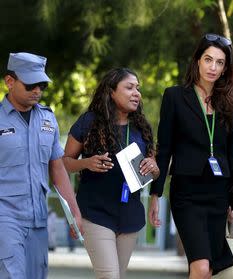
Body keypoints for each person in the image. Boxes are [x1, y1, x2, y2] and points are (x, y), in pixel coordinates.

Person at [149, 33, 233, 279]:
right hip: (187, 193)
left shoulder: (229, 102)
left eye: (220, 62)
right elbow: (164, 148)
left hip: (218, 193)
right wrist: (155, 194)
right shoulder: (175, 96)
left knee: (208, 269)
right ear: (197, 61)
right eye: (208, 59)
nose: (213, 67)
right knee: (200, 267)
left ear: (225, 68)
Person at [62, 68, 160, 279]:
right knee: (109, 276)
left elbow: (154, 168)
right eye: (129, 87)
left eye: (138, 88)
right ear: (111, 92)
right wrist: (87, 163)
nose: (137, 93)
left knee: (118, 276)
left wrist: (154, 168)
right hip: (96, 213)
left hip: (129, 215)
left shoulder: (141, 127)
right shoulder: (89, 122)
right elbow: (64, 163)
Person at [0, 52, 83, 279]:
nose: (37, 90)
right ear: (10, 82)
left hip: (38, 218)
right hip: (5, 217)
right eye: (30, 85)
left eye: (42, 85)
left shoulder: (48, 119)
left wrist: (74, 213)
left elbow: (57, 170)